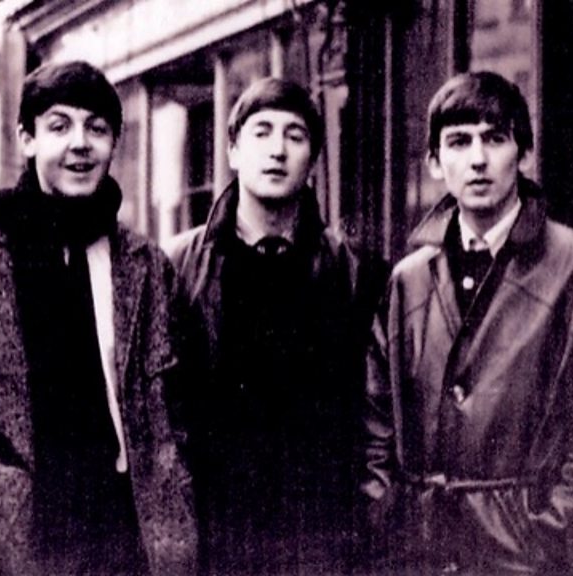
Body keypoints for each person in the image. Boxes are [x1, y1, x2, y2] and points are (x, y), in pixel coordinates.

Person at [0, 60, 196, 576]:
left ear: (114, 142)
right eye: (59, 126)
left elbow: (177, 401)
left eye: (96, 129)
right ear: (27, 139)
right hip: (17, 541)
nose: (80, 144)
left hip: (126, 536)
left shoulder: (145, 265)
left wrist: (173, 499)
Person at [359, 71, 573, 575]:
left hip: (525, 557)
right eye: (458, 142)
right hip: (422, 556)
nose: (478, 159)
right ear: (435, 163)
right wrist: (389, 519)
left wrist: (549, 536)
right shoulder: (409, 279)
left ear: (524, 154)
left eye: (495, 139)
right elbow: (375, 423)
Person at [164, 77, 385, 575]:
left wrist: (365, 527)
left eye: (295, 135)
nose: (277, 150)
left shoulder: (357, 272)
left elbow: (375, 421)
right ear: (233, 150)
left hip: (320, 541)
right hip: (216, 540)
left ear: (314, 160)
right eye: (261, 132)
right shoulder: (178, 267)